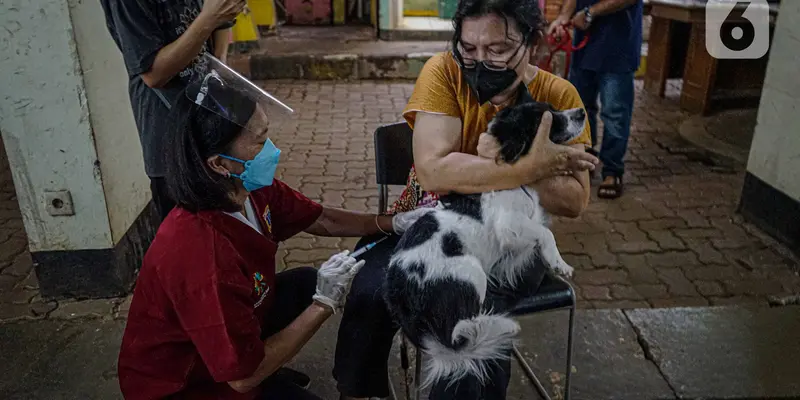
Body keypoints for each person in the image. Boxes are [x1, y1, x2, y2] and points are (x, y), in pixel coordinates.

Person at [116, 61, 431, 400]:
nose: (272, 150)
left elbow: (320, 218)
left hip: (229, 339)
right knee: (296, 319)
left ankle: (308, 374)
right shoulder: (201, 254)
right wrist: (323, 304)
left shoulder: (248, 188)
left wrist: (391, 221)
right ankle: (268, 366)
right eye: (260, 141)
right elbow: (242, 378)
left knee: (305, 284)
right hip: (186, 384)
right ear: (219, 164)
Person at [332, 0, 599, 398]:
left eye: (497, 50)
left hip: (504, 243)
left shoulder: (557, 94)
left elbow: (575, 199)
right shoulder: (444, 72)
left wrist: (493, 159)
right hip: (423, 222)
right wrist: (533, 166)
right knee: (371, 291)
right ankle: (361, 391)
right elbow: (434, 171)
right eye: (468, 48)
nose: (478, 62)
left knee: (470, 323)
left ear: (532, 44)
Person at [100, 0, 246, 221]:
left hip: (210, 120)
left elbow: (221, 21)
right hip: (170, 135)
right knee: (189, 236)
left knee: (227, 227)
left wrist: (219, 65)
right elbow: (154, 74)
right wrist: (209, 19)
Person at [548, 0, 643, 199]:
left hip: (618, 46)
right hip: (585, 48)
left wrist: (591, 13)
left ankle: (612, 170)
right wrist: (563, 18)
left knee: (614, 113)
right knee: (580, 109)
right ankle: (585, 161)